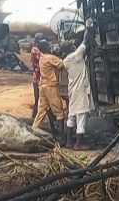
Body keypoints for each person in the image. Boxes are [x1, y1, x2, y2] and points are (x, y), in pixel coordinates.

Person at [62, 22, 93, 150]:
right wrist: (88, 27)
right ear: (71, 48)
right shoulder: (76, 56)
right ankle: (78, 144)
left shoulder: (66, 60)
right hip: (80, 90)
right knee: (81, 116)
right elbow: (85, 40)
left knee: (71, 116)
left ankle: (69, 141)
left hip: (72, 90)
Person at [31, 41, 66, 134]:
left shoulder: (41, 58)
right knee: (59, 111)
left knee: (41, 111)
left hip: (43, 86)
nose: (50, 47)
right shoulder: (50, 58)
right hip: (51, 87)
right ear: (45, 47)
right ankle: (62, 135)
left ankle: (33, 130)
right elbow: (62, 64)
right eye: (48, 45)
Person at [30, 33, 46, 117]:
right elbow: (43, 58)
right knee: (37, 99)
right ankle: (34, 117)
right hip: (37, 78)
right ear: (37, 41)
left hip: (43, 78)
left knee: (47, 100)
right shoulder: (34, 50)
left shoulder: (41, 49)